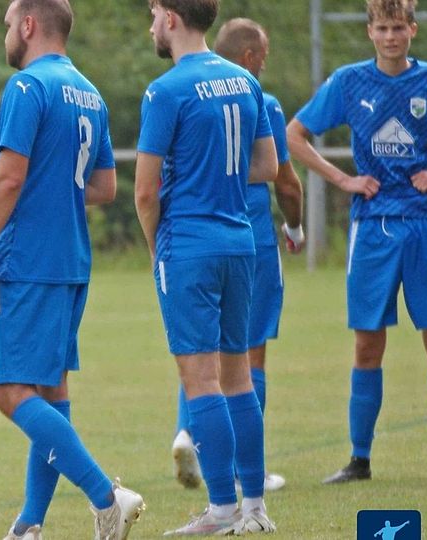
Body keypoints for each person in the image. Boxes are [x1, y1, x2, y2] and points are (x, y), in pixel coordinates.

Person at [0, 1, 145, 539]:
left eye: (12, 23)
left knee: (10, 393)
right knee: (49, 393)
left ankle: (108, 498)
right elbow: (105, 187)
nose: (10, 33)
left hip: (23, 262)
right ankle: (29, 526)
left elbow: (9, 179)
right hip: (70, 262)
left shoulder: (26, 88)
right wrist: (50, 189)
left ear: (30, 25)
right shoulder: (89, 92)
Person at [134, 0, 279, 534]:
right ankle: (255, 507)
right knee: (238, 374)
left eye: (153, 14)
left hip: (189, 246)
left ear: (171, 17)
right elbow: (267, 164)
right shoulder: (244, 81)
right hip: (241, 241)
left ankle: (220, 509)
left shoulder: (165, 90)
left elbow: (145, 192)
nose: (151, 25)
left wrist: (156, 248)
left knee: (200, 380)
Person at [286, 0, 427, 484]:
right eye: (382, 27)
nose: (391, 36)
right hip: (373, 228)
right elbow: (295, 134)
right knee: (368, 346)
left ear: (412, 30)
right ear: (370, 33)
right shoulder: (350, 82)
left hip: (426, 225)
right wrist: (343, 179)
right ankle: (359, 459)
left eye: (399, 27)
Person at [170, 17, 305, 494]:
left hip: (190, 238)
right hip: (248, 241)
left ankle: (189, 431)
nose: (264, 65)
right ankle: (250, 469)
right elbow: (284, 178)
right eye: (262, 57)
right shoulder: (258, 98)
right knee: (249, 358)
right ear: (248, 58)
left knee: (197, 354)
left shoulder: (179, 91)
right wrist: (295, 225)